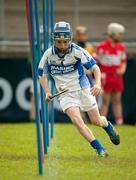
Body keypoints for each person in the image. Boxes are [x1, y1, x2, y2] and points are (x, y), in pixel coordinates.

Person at [38, 21, 120, 158]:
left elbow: (95, 68)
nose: (63, 46)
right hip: (65, 94)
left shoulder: (77, 51)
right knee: (77, 120)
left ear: (70, 39)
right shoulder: (48, 55)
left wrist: (98, 84)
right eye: (59, 42)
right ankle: (99, 148)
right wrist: (47, 91)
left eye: (65, 42)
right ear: (54, 40)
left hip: (83, 88)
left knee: (96, 121)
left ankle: (107, 125)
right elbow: (41, 75)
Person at [95, 23, 127, 125]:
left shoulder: (121, 47)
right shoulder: (101, 47)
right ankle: (101, 122)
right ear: (112, 33)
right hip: (106, 77)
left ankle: (119, 122)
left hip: (117, 78)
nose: (120, 37)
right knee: (105, 101)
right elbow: (95, 61)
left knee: (117, 100)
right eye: (119, 34)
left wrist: (122, 70)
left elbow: (123, 61)